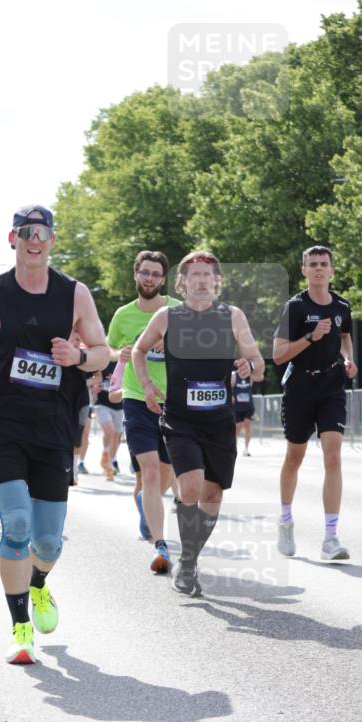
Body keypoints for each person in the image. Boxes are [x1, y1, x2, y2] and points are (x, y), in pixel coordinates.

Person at [0, 204, 110, 664]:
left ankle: (38, 582)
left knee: (47, 543)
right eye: (26, 232)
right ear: (13, 239)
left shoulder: (75, 294)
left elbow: (103, 351)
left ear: (52, 240)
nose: (34, 239)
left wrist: (78, 358)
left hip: (53, 428)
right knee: (16, 524)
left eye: (42, 232)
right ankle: (20, 627)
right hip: (3, 424)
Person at [134, 250, 265, 597]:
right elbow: (138, 350)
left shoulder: (232, 316)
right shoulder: (167, 316)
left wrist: (249, 367)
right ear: (183, 281)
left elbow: (258, 361)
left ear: (217, 281)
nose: (202, 280)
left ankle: (189, 558)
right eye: (195, 275)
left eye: (208, 275)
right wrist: (147, 385)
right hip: (180, 418)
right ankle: (188, 563)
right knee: (190, 487)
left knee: (213, 492)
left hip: (220, 421)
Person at [273, 245, 356, 560]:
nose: (319, 268)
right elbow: (279, 354)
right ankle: (285, 520)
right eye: (313, 264)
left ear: (332, 270)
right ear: (304, 270)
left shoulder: (341, 306)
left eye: (324, 264)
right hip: (300, 386)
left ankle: (331, 538)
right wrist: (311, 338)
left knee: (333, 457)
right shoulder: (294, 308)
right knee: (295, 456)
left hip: (332, 385)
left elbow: (345, 336)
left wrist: (348, 359)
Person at [107, 251, 180, 574]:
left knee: (165, 474)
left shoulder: (178, 310)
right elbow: (106, 347)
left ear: (162, 279)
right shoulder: (123, 315)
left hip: (174, 400)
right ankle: (160, 546)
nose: (149, 278)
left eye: (155, 274)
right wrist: (118, 352)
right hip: (136, 397)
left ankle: (145, 505)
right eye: (144, 273)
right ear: (136, 275)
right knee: (149, 472)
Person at [94, 361, 124, 480]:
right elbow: (94, 378)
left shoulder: (125, 364)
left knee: (117, 436)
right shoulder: (103, 361)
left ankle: (110, 461)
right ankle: (107, 461)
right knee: (110, 432)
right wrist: (96, 384)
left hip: (120, 406)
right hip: (102, 404)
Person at [231, 367, 255, 456]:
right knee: (238, 427)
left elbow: (260, 377)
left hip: (248, 405)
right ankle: (234, 447)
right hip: (237, 406)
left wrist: (253, 368)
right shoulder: (234, 376)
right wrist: (231, 396)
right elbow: (228, 386)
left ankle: (246, 449)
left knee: (248, 425)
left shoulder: (250, 375)